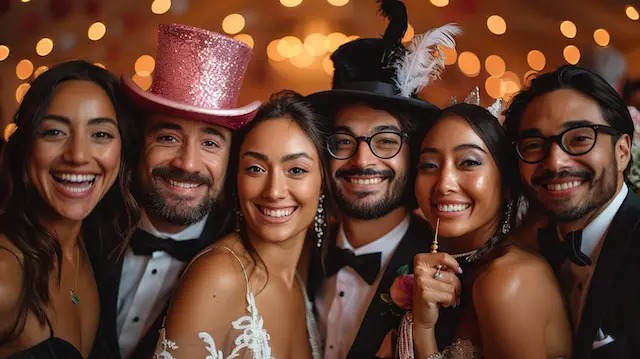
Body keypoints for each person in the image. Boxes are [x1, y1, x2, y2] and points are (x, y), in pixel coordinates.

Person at [306, 1, 461, 357]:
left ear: (414, 152)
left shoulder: (450, 274)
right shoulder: (299, 247)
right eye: (344, 141)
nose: (362, 160)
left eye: (386, 142)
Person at [97, 24, 261, 359]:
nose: (187, 163)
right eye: (168, 137)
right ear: (139, 143)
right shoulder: (88, 228)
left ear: (231, 160)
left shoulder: (246, 267)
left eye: (210, 143)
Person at [154, 91, 327, 358]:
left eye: (296, 170)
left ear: (323, 182)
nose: (274, 191)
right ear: (236, 179)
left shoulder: (301, 279)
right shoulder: (219, 276)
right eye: (256, 168)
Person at [408, 102, 571, 359]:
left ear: (506, 182)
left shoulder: (507, 281)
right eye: (429, 165)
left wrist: (422, 332)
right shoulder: (467, 265)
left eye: (469, 162)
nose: (444, 184)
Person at [0, 60, 140, 359]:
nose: (77, 155)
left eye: (101, 134)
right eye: (54, 132)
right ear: (26, 146)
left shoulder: (97, 245)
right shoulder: (5, 276)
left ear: (122, 150)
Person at [504, 65, 640, 359]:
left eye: (579, 138)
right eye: (534, 145)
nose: (555, 163)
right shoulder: (527, 249)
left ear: (622, 151)